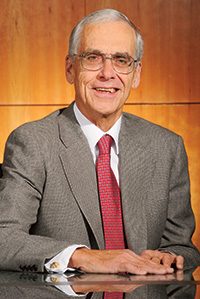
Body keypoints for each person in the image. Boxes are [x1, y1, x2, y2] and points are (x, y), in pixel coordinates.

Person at [0, 8, 199, 275]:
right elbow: (4, 239)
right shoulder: (33, 143)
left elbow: (183, 248)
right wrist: (83, 257)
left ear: (136, 74)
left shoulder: (166, 147)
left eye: (121, 60)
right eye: (93, 58)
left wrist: (169, 257)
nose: (108, 73)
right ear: (71, 68)